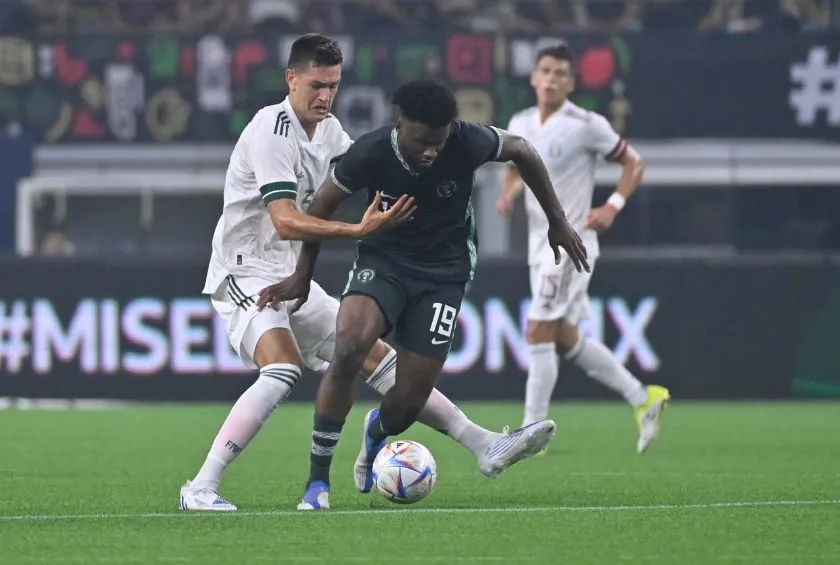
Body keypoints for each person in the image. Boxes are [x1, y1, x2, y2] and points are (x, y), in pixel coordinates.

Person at [179, 34, 547, 512]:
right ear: (290, 79)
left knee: (377, 360)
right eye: (316, 84)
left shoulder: (330, 132)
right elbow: (286, 220)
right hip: (245, 272)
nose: (325, 96)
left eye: (333, 85)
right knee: (283, 368)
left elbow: (370, 167)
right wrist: (359, 229)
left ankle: (483, 444)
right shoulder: (271, 129)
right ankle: (201, 486)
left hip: (291, 276)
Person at [261, 78, 590, 511]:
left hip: (444, 275)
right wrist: (302, 275)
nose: (432, 151)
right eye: (422, 142)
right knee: (349, 348)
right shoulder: (370, 152)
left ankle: (377, 429)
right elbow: (320, 209)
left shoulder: (467, 140)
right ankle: (317, 483)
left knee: (408, 402)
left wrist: (557, 220)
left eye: (439, 141)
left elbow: (523, 150)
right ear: (401, 125)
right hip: (384, 264)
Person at [496, 44, 670, 454]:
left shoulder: (586, 124)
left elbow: (634, 164)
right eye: (546, 71)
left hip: (570, 246)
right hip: (538, 245)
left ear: (571, 83)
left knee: (538, 328)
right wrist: (509, 193)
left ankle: (529, 432)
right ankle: (643, 397)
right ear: (534, 78)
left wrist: (612, 206)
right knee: (563, 337)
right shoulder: (520, 122)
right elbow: (514, 170)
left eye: (561, 73)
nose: (552, 78)